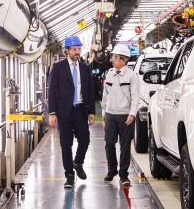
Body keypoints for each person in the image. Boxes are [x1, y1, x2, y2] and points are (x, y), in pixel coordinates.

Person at [48, 36, 96, 188]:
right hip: (64, 113)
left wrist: (92, 111)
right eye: (74, 49)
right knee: (66, 144)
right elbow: (52, 91)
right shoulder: (58, 67)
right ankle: (69, 174)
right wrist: (52, 113)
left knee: (85, 140)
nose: (77, 52)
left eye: (79, 49)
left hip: (80, 110)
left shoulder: (85, 68)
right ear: (67, 51)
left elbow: (89, 90)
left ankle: (78, 162)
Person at [101, 44, 140, 186]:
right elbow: (105, 94)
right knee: (109, 143)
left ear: (123, 60)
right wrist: (104, 113)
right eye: (113, 57)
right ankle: (112, 170)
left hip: (125, 116)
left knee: (125, 146)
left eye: (116, 57)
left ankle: (124, 174)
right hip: (111, 114)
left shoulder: (132, 76)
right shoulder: (109, 74)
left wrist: (132, 114)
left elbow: (135, 97)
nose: (113, 59)